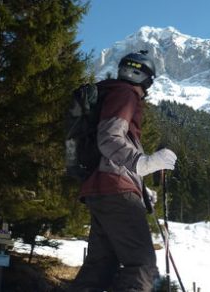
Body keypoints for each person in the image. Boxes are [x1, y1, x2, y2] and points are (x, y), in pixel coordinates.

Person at [69, 51, 177, 292]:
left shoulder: (106, 93)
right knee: (141, 265)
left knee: (99, 268)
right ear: (145, 78)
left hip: (99, 191)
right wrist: (143, 164)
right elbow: (109, 138)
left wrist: (140, 187)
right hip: (115, 190)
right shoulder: (126, 94)